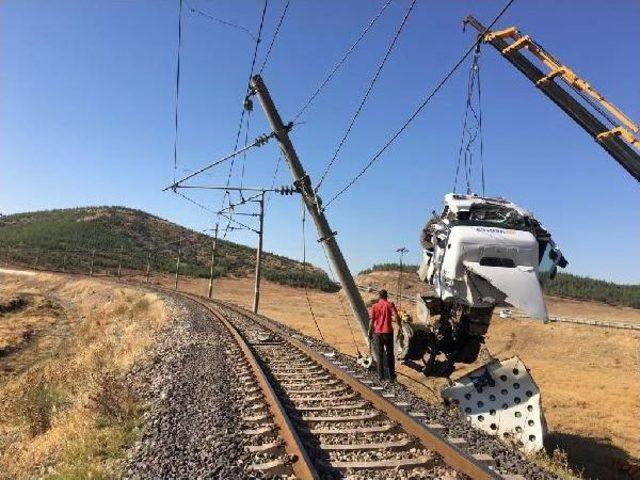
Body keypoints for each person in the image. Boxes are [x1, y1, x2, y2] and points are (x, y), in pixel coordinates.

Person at [368, 289, 400, 382]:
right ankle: (391, 377)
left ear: (379, 296)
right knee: (390, 355)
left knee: (380, 355)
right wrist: (400, 326)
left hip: (378, 333)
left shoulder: (374, 306)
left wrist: (369, 331)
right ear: (386, 296)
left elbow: (372, 321)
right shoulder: (390, 304)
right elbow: (396, 316)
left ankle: (380, 376)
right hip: (388, 333)